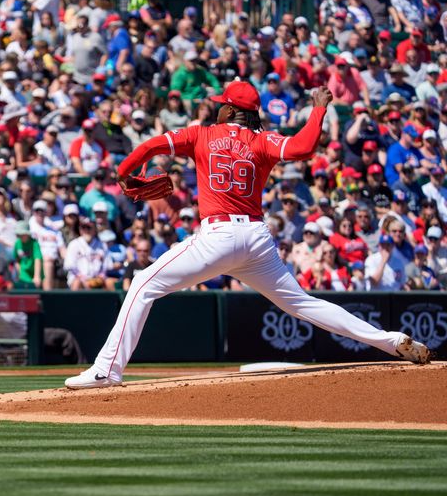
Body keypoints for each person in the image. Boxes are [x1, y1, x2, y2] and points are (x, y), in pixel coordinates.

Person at [65, 83, 431, 390]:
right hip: (256, 238)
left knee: (143, 283)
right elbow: (304, 147)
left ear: (227, 111)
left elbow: (147, 148)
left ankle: (105, 370)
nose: (216, 109)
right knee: (304, 304)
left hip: (218, 235)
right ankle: (389, 341)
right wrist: (318, 109)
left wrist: (126, 174)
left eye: (220, 104)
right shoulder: (263, 141)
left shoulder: (201, 133)